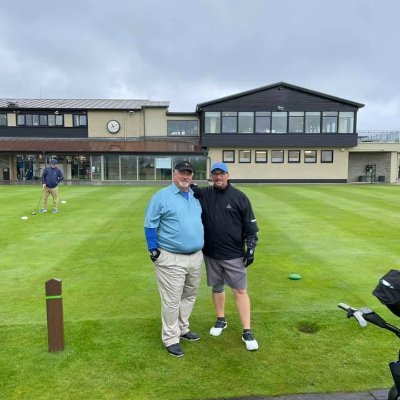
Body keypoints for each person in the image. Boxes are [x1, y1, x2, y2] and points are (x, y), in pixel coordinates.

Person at [193, 161, 260, 351]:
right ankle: (221, 319)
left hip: (233, 255)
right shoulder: (205, 194)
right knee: (217, 287)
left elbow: (251, 228)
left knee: (240, 290)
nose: (218, 177)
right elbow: (190, 189)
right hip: (211, 254)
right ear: (211, 176)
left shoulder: (239, 197)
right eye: (215, 174)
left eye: (221, 174)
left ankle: (247, 330)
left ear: (227, 175)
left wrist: (251, 249)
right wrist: (190, 186)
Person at [144, 161, 204, 358]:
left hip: (195, 257)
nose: (185, 177)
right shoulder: (161, 197)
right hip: (171, 258)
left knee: (189, 295)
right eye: (182, 173)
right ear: (174, 173)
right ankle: (171, 338)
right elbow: (150, 225)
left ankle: (182, 328)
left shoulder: (195, 196)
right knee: (171, 300)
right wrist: (153, 250)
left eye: (189, 173)